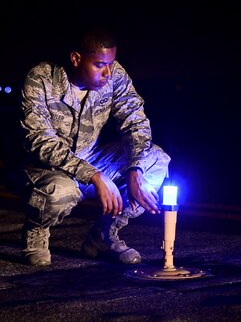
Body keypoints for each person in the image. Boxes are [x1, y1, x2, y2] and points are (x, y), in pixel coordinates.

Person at [19, 26, 171, 266]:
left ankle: (102, 236)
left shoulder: (114, 73)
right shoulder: (42, 79)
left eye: (111, 63)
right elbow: (40, 141)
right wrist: (93, 176)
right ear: (76, 59)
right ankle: (36, 234)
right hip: (45, 167)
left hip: (91, 156)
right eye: (99, 65)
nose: (108, 72)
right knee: (60, 192)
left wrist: (135, 169)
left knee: (155, 161)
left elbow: (136, 121)